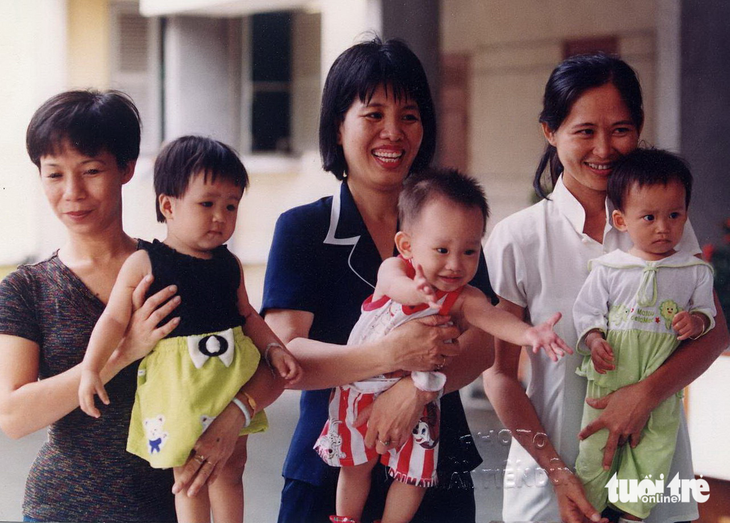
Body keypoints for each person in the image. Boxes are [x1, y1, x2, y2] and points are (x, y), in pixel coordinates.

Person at [482, 53, 729, 523]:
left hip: (655, 472)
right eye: (584, 131)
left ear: (638, 128)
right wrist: (557, 472)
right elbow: (499, 375)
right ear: (550, 132)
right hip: (551, 480)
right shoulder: (519, 238)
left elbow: (715, 333)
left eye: (620, 129)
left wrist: (642, 396)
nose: (604, 149)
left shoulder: (666, 224)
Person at [262, 38, 495, 523]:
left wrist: (417, 391)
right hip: (330, 472)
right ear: (337, 125)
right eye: (373, 115)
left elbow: (483, 341)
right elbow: (285, 357)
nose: (393, 132)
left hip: (435, 473)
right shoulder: (304, 229)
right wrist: (390, 356)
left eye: (409, 115)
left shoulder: (451, 223)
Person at [315, 168, 571, 523]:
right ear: (407, 245)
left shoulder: (465, 297)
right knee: (356, 466)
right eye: (441, 249)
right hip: (361, 387)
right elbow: (394, 287)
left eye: (469, 251)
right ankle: (347, 518)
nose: (455, 264)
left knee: (415, 475)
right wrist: (420, 292)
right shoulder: (394, 269)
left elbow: (493, 318)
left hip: (418, 401)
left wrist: (529, 334)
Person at [77, 135, 301, 522]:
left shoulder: (229, 265)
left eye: (231, 206)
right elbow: (113, 318)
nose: (221, 216)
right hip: (179, 386)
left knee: (231, 468)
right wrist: (91, 367)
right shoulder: (145, 262)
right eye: (207, 204)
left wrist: (274, 349)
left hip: (231, 378)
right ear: (168, 205)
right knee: (190, 476)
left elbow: (248, 316)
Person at [0, 90, 181, 522]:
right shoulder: (27, 288)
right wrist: (121, 354)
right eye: (54, 174)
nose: (72, 192)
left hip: (168, 506)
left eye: (91, 170)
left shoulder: (175, 269)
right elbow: (14, 416)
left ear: (126, 168)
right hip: (60, 509)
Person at [573, 148, 715, 522]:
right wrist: (593, 339)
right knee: (594, 454)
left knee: (652, 456)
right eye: (648, 217)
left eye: (674, 215)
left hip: (660, 385)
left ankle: (632, 516)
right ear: (621, 220)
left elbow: (708, 314)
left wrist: (696, 323)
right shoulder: (608, 268)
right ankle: (590, 512)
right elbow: (586, 312)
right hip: (609, 377)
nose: (663, 227)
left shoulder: (694, 271)